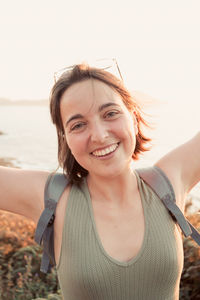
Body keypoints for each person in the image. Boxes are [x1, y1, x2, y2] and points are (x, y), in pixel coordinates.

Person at [0, 62, 200, 300]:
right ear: (66, 139)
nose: (99, 135)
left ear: (133, 117)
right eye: (78, 125)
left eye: (110, 113)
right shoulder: (53, 197)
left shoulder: (168, 181)